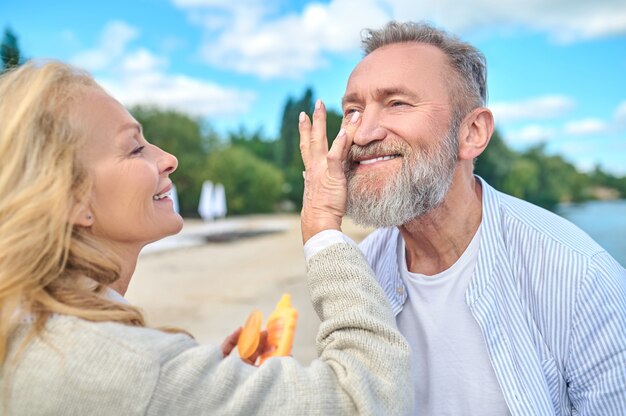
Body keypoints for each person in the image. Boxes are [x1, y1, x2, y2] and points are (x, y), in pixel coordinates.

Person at [0, 61, 413, 415]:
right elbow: (365, 399)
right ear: (72, 198)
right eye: (134, 149)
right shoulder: (120, 366)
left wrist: (212, 384)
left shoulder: (26, 329)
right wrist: (323, 227)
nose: (168, 158)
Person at [302, 21, 626, 415]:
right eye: (352, 110)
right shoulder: (359, 269)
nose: (363, 132)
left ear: (472, 132)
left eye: (397, 103)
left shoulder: (581, 279)